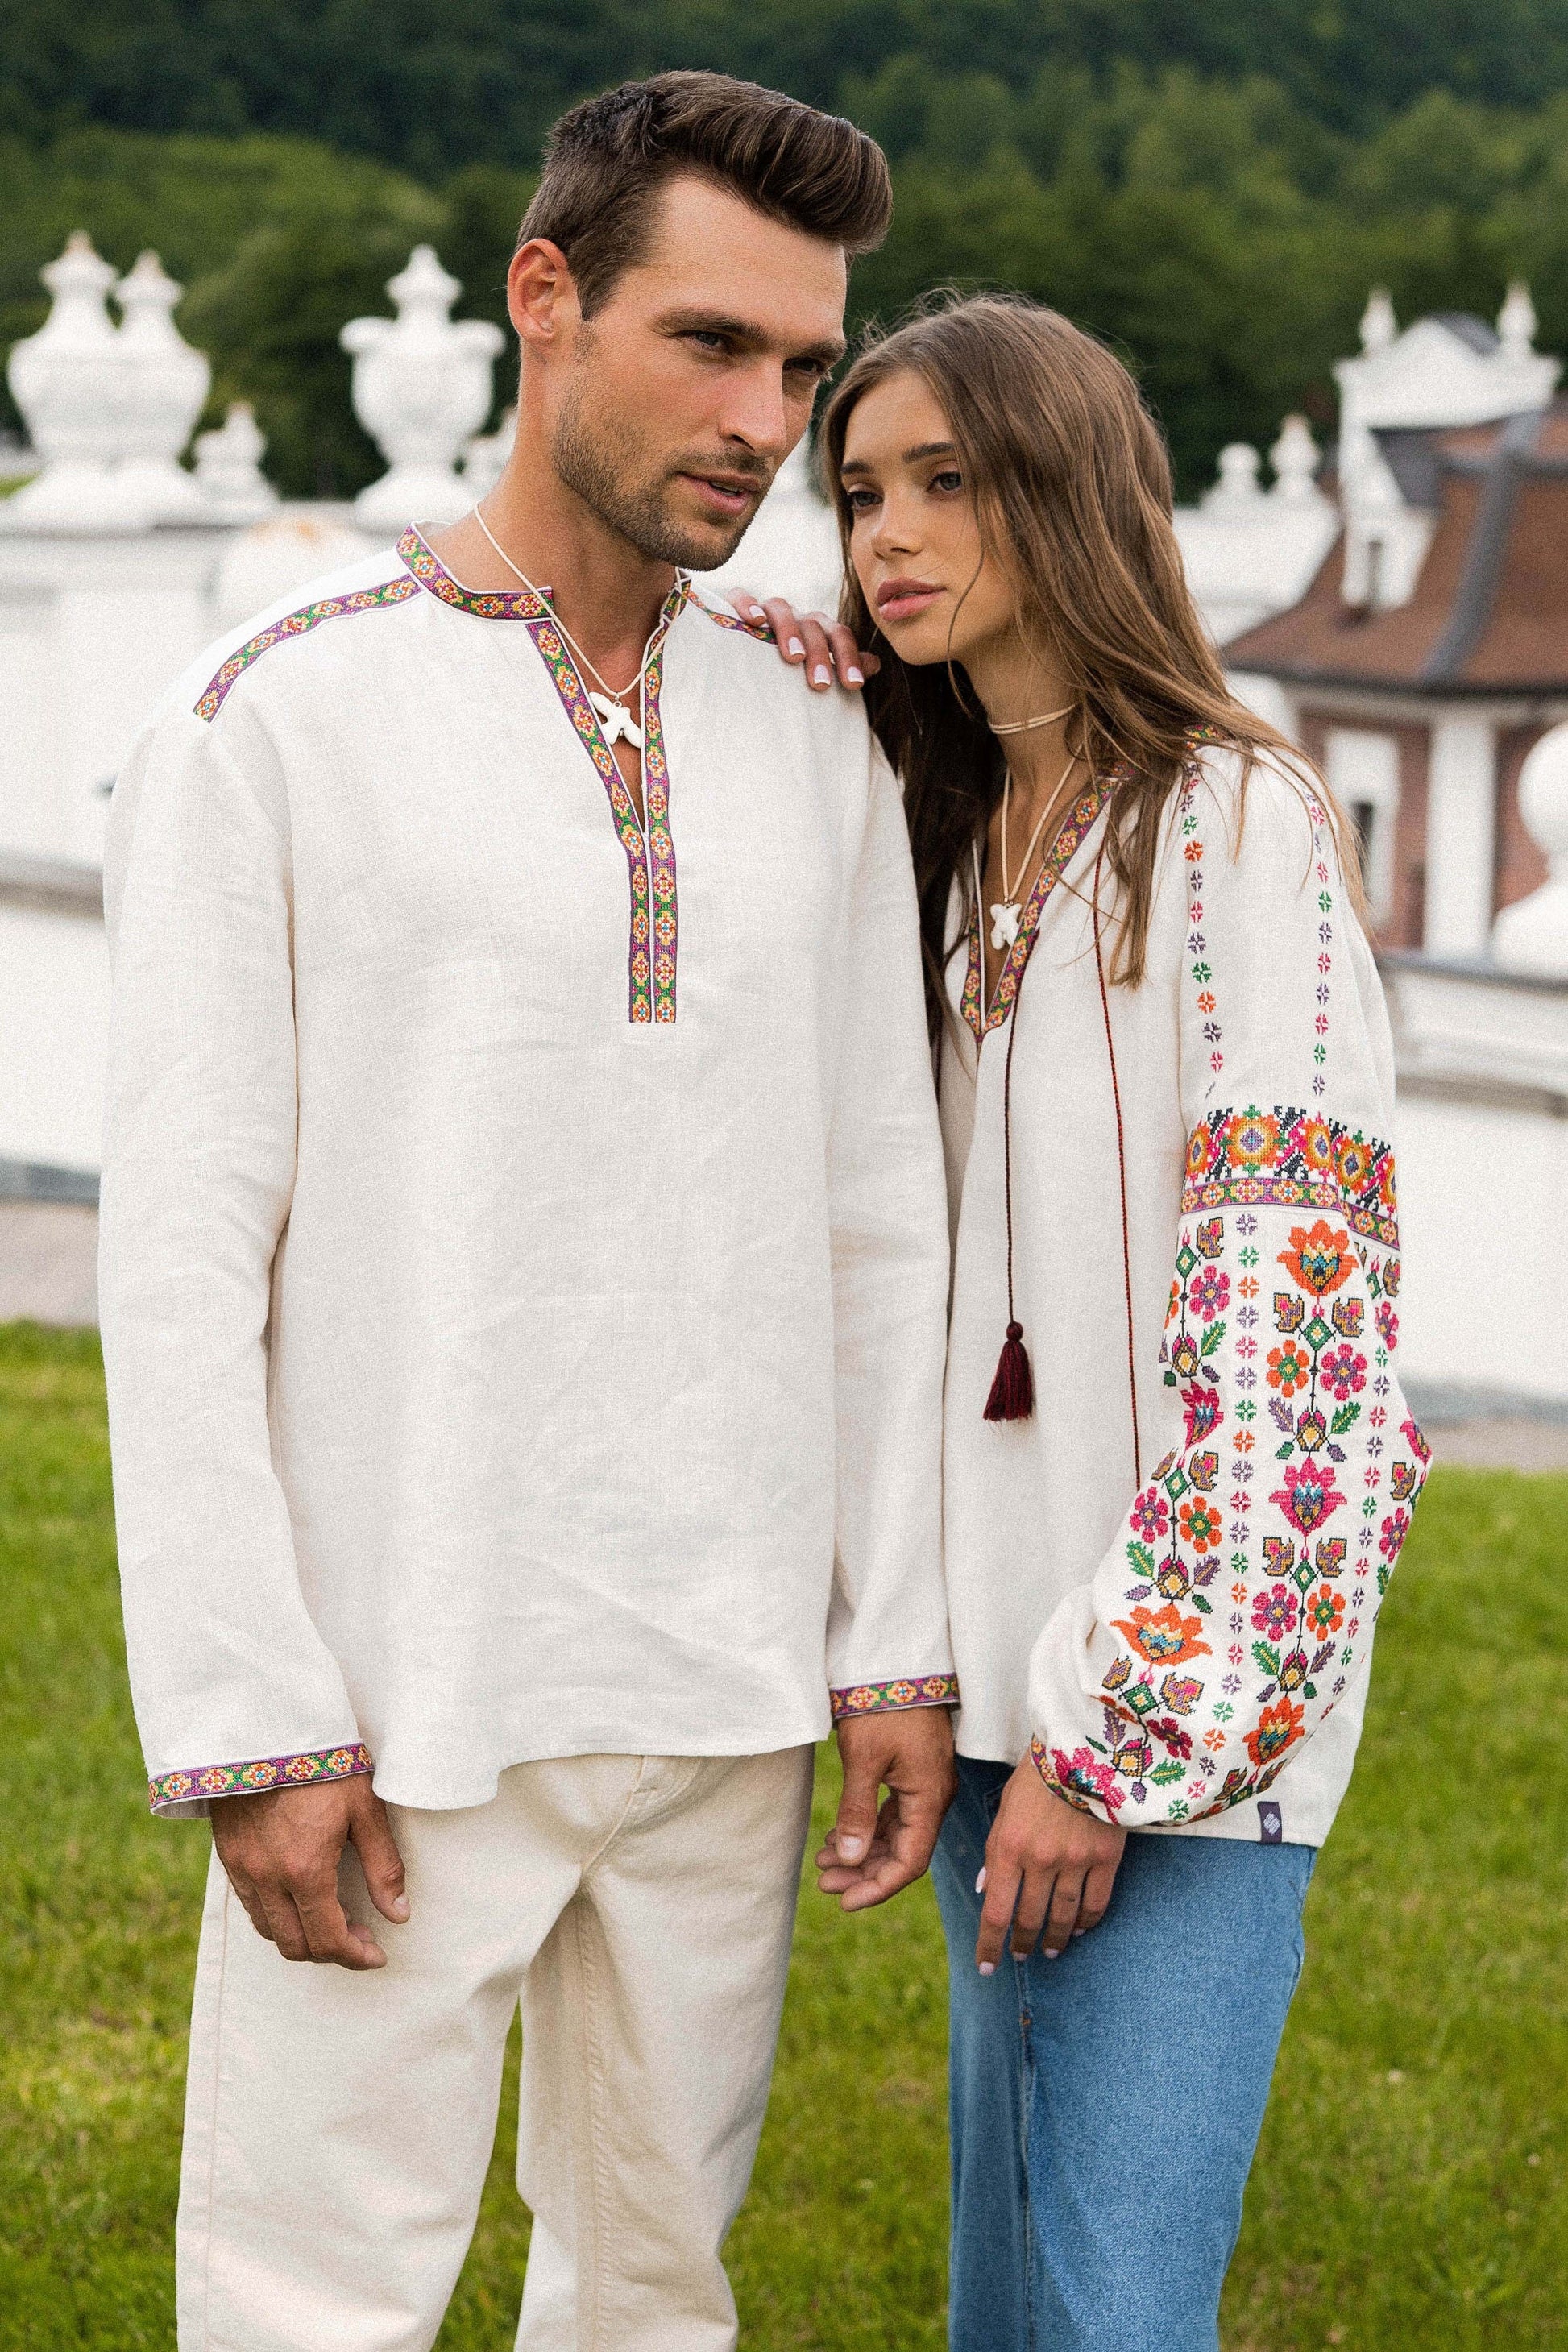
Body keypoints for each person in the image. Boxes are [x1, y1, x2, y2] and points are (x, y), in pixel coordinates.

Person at [98, 74, 958, 2352]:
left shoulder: (813, 734)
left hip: (729, 1682)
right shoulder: (271, 719)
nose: (763, 419)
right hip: (402, 1678)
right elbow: (179, 1262)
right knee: (312, 2302)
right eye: (710, 343)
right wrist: (249, 1715)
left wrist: (892, 1632)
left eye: (801, 367)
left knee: (658, 2292)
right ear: (544, 298)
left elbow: (884, 1211)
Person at [798, 294, 1431, 2352]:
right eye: (861, 491)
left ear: (1064, 486)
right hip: (999, 1706)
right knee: (1012, 2303)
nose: (887, 533)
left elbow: (1293, 1340)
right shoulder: (966, 836)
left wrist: (1115, 1734)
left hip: (1167, 1729)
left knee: (1106, 2313)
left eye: (945, 481)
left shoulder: (1233, 828)